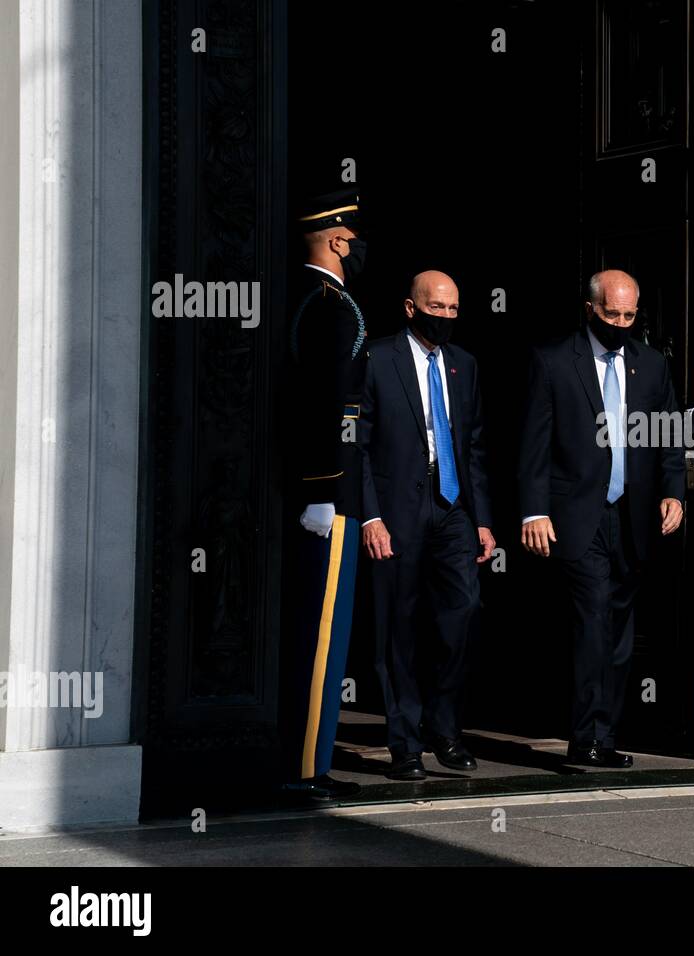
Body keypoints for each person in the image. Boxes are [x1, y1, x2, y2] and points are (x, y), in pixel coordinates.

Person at [518, 270, 686, 767]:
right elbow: (533, 443)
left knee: (618, 631)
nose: (621, 322)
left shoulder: (651, 366)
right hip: (576, 514)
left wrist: (672, 493)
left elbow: (669, 436)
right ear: (590, 308)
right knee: (592, 619)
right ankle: (584, 736)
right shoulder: (552, 361)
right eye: (612, 313)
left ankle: (605, 735)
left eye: (630, 315)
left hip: (631, 517)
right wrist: (534, 509)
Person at [359, 271, 494, 780]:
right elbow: (359, 446)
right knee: (400, 628)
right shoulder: (376, 359)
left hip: (454, 507)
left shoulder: (464, 365)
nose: (447, 317)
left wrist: (482, 520)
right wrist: (370, 515)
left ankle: (444, 727)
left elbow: (474, 444)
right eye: (437, 307)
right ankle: (406, 743)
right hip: (396, 512)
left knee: (462, 613)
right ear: (411, 308)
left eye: (455, 309)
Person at [282, 189, 369, 799]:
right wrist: (325, 488)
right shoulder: (332, 307)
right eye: (354, 237)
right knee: (321, 636)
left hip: (321, 488)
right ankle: (306, 765)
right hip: (329, 496)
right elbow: (327, 405)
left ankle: (304, 757)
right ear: (337, 240)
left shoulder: (307, 298)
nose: (358, 246)